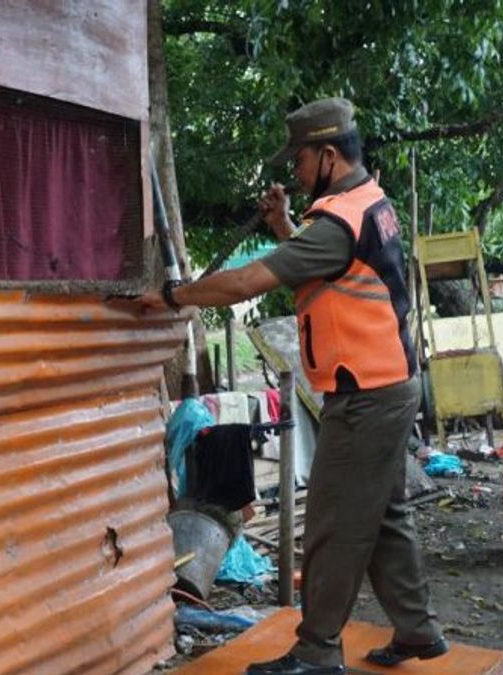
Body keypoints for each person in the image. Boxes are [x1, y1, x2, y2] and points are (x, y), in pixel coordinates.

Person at [131, 98, 445, 675]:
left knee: (332, 524)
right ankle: (418, 629)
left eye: (299, 159)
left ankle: (318, 651)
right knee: (383, 516)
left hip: (367, 396)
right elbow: (330, 269)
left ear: (328, 155)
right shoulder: (364, 204)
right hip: (391, 385)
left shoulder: (337, 223)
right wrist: (281, 224)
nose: (294, 172)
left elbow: (249, 280)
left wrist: (174, 297)